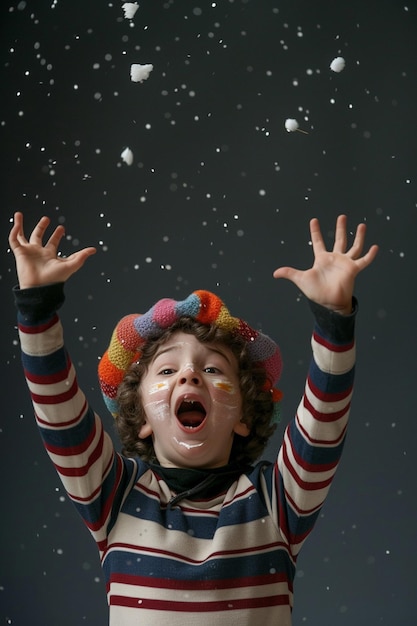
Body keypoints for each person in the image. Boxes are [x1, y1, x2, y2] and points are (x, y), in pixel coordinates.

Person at [9, 211, 378, 626]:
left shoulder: (277, 501)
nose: (189, 374)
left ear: (244, 414)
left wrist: (334, 319)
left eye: (214, 370)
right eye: (167, 371)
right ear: (141, 415)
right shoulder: (115, 496)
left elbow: (324, 414)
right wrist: (37, 310)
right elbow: (58, 406)